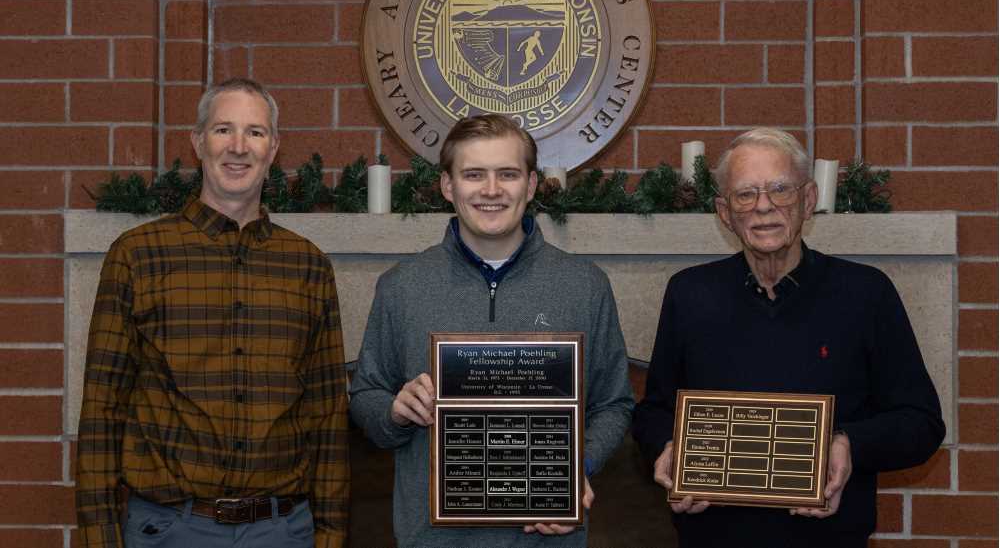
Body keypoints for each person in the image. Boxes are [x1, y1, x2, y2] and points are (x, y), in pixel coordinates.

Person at [633, 128, 945, 548]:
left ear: (809, 200)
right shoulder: (689, 293)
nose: (764, 206)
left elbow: (921, 422)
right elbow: (654, 411)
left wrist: (849, 445)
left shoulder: (866, 293)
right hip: (714, 537)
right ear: (724, 213)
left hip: (828, 537)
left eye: (780, 189)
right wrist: (668, 448)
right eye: (745, 194)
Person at [75, 78, 349, 548]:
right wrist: (100, 536)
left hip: (281, 531)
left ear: (274, 147)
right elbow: (103, 407)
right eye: (223, 130)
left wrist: (330, 534)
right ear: (198, 141)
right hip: (170, 529)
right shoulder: (139, 255)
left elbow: (326, 413)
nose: (238, 147)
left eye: (255, 133)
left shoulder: (308, 264)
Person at [349, 114, 634, 548]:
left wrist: (579, 466)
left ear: (532, 185)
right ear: (448, 186)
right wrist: (394, 411)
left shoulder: (585, 285)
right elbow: (366, 395)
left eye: (508, 174)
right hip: (433, 540)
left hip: (547, 539)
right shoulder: (401, 286)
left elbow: (613, 403)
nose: (491, 190)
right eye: (473, 175)